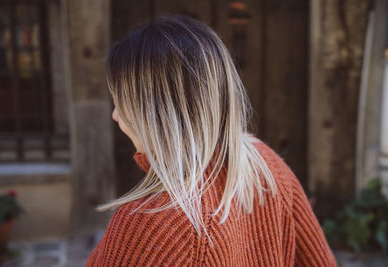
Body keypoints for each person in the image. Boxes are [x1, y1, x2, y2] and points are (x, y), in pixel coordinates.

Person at [85, 15, 337, 267]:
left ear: (157, 111)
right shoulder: (267, 165)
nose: (115, 115)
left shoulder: (148, 224)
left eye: (122, 101)